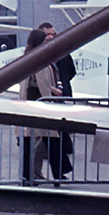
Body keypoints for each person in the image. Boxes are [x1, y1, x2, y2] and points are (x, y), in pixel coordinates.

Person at [17, 28, 61, 184]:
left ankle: (30, 174)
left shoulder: (28, 58)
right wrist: (50, 95)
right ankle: (41, 174)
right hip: (38, 105)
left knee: (34, 142)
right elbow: (41, 84)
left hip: (32, 104)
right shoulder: (38, 60)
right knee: (46, 140)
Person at [36, 22, 74, 176]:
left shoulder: (62, 52)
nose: (51, 37)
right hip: (44, 100)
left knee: (56, 136)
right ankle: (56, 170)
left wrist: (63, 85)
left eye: (53, 33)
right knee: (49, 138)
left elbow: (71, 71)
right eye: (47, 34)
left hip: (58, 97)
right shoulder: (38, 55)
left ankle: (59, 169)